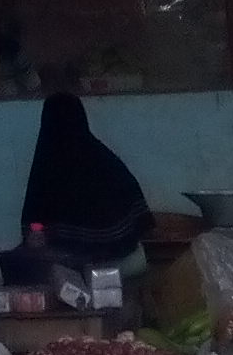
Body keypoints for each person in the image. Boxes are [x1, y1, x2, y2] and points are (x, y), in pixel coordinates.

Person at [19, 93, 148, 267]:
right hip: (120, 261)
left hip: (113, 263)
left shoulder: (48, 163)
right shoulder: (105, 160)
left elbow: (35, 216)